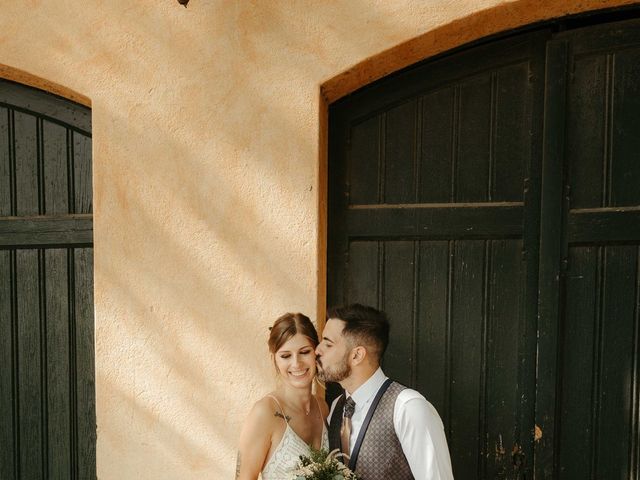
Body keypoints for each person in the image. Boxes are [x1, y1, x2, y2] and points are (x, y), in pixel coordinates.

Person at [315, 303, 454, 480]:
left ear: (357, 355)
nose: (317, 350)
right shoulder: (336, 408)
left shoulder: (408, 408)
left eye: (328, 344)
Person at [236, 313, 329, 480]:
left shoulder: (323, 408)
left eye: (304, 352)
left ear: (316, 352)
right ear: (275, 360)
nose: (296, 363)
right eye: (286, 356)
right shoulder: (265, 412)